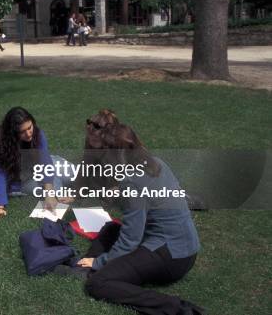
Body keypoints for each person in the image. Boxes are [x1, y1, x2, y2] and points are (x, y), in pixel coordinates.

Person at [73, 123, 204, 315]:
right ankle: (92, 264)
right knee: (110, 229)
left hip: (171, 256)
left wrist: (101, 262)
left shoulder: (132, 182)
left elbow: (130, 239)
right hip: (186, 247)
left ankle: (179, 308)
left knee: (98, 283)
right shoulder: (155, 162)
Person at [0, 107, 67, 222]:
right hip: (19, 180)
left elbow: (45, 161)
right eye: (22, 132)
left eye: (30, 127)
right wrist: (0, 207)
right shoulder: (0, 143)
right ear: (12, 133)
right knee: (57, 184)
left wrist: (49, 193)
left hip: (35, 168)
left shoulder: (38, 134)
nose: (29, 134)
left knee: (68, 173)